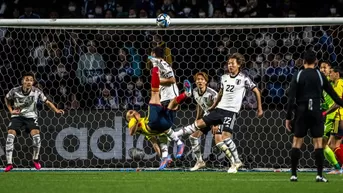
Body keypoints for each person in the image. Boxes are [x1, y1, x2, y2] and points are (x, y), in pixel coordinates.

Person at [175, 53, 263, 173]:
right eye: (229, 63)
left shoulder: (244, 78)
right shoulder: (224, 77)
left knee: (224, 138)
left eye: (232, 63)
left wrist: (259, 108)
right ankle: (176, 137)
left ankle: (236, 161)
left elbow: (256, 91)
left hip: (231, 111)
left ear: (239, 64)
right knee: (197, 127)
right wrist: (213, 107)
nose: (230, 65)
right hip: (219, 109)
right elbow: (221, 94)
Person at [285, 51, 343, 182]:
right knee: (318, 143)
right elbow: (334, 96)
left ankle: (293, 175)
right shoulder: (319, 75)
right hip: (316, 112)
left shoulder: (298, 74)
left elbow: (290, 98)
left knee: (296, 142)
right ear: (316, 62)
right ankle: (319, 175)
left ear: (303, 62)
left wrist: (288, 117)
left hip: (301, 112)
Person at [125, 65, 191, 170]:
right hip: (156, 124)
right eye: (130, 113)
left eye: (132, 111)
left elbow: (155, 144)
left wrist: (160, 157)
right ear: (129, 119)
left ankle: (187, 94)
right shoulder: (133, 121)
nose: (133, 112)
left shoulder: (144, 123)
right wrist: (136, 119)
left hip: (163, 126)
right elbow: (131, 133)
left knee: (173, 102)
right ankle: (155, 67)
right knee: (155, 93)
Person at [4, 72, 64, 172]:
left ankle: (35, 160)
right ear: (22, 81)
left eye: (31, 80)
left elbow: (47, 102)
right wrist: (11, 111)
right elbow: (6, 99)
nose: (29, 82)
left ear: (33, 82)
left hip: (31, 117)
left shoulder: (37, 91)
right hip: (17, 117)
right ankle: (9, 164)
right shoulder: (14, 91)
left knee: (36, 137)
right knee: (10, 135)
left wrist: (56, 110)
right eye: (27, 80)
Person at [187, 72, 239, 172]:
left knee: (219, 142)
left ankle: (233, 163)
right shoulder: (194, 91)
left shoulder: (212, 94)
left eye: (202, 79)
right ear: (195, 81)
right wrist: (197, 119)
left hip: (216, 118)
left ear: (206, 81)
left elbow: (219, 108)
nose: (200, 81)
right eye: (198, 79)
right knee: (193, 137)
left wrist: (216, 124)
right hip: (207, 118)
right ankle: (200, 161)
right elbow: (199, 105)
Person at [148, 47, 179, 169]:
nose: (150, 58)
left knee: (164, 128)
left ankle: (177, 145)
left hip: (170, 98)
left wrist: (157, 81)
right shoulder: (158, 65)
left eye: (151, 55)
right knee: (163, 129)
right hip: (164, 99)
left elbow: (172, 80)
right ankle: (165, 158)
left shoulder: (163, 64)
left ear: (154, 54)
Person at [319, 61, 341, 173]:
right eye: (321, 68)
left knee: (330, 144)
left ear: (330, 70)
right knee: (325, 145)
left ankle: (338, 168)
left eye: (325, 68)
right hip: (330, 116)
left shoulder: (333, 81)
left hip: (335, 115)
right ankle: (337, 167)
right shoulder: (321, 82)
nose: (323, 70)